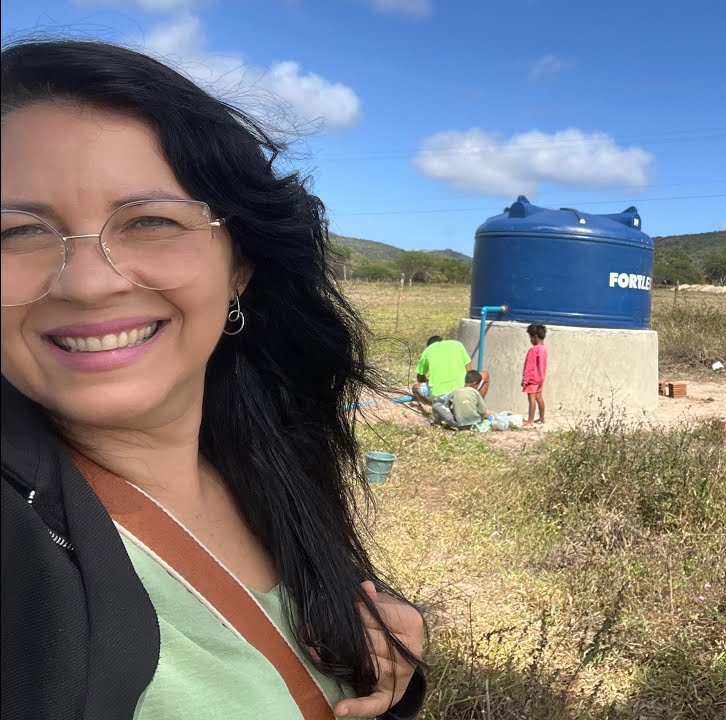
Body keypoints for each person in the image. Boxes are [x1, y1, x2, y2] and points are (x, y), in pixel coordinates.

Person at [1, 40, 425, 719]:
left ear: (239, 266)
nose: (87, 283)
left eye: (150, 221)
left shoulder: (270, 454)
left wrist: (381, 645)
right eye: (18, 232)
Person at [414, 335, 487, 402]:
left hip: (439, 395)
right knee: (485, 375)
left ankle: (435, 407)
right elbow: (469, 371)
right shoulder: (457, 345)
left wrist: (429, 382)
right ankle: (477, 406)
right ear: (443, 340)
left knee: (415, 387)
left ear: (429, 345)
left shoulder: (428, 350)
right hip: (462, 392)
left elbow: (420, 378)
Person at [522, 323, 548, 426]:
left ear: (535, 337)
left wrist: (525, 380)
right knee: (539, 398)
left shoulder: (533, 350)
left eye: (530, 337)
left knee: (531, 400)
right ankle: (542, 419)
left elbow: (530, 366)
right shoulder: (544, 349)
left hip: (532, 379)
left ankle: (530, 420)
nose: (530, 340)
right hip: (540, 378)